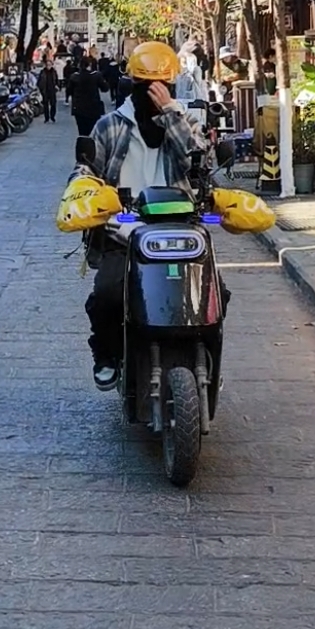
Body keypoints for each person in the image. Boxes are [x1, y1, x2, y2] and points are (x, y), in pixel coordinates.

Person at [79, 41, 207, 388]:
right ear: (130, 85)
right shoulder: (110, 126)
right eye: (144, 87)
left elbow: (199, 162)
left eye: (161, 87)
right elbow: (86, 171)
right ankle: (105, 355)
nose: (153, 94)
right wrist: (83, 194)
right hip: (124, 229)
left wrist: (170, 114)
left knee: (214, 294)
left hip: (179, 229)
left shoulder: (185, 120)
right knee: (106, 295)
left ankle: (205, 359)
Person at [70, 56, 107, 138]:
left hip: (79, 108)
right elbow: (105, 88)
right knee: (93, 132)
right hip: (93, 108)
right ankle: (92, 148)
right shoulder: (96, 76)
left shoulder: (74, 76)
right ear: (89, 65)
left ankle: (82, 148)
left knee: (82, 132)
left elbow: (69, 91)